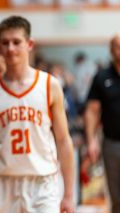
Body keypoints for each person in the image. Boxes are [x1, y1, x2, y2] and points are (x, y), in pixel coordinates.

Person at [0, 15, 75, 213]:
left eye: (16, 42)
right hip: (2, 180)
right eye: (5, 43)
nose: (11, 48)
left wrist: (69, 196)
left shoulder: (50, 85)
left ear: (29, 44)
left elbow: (64, 141)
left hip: (43, 182)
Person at [84, 33, 120, 213]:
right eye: (117, 46)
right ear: (111, 50)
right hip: (111, 143)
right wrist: (91, 140)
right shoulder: (101, 77)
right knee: (115, 194)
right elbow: (92, 110)